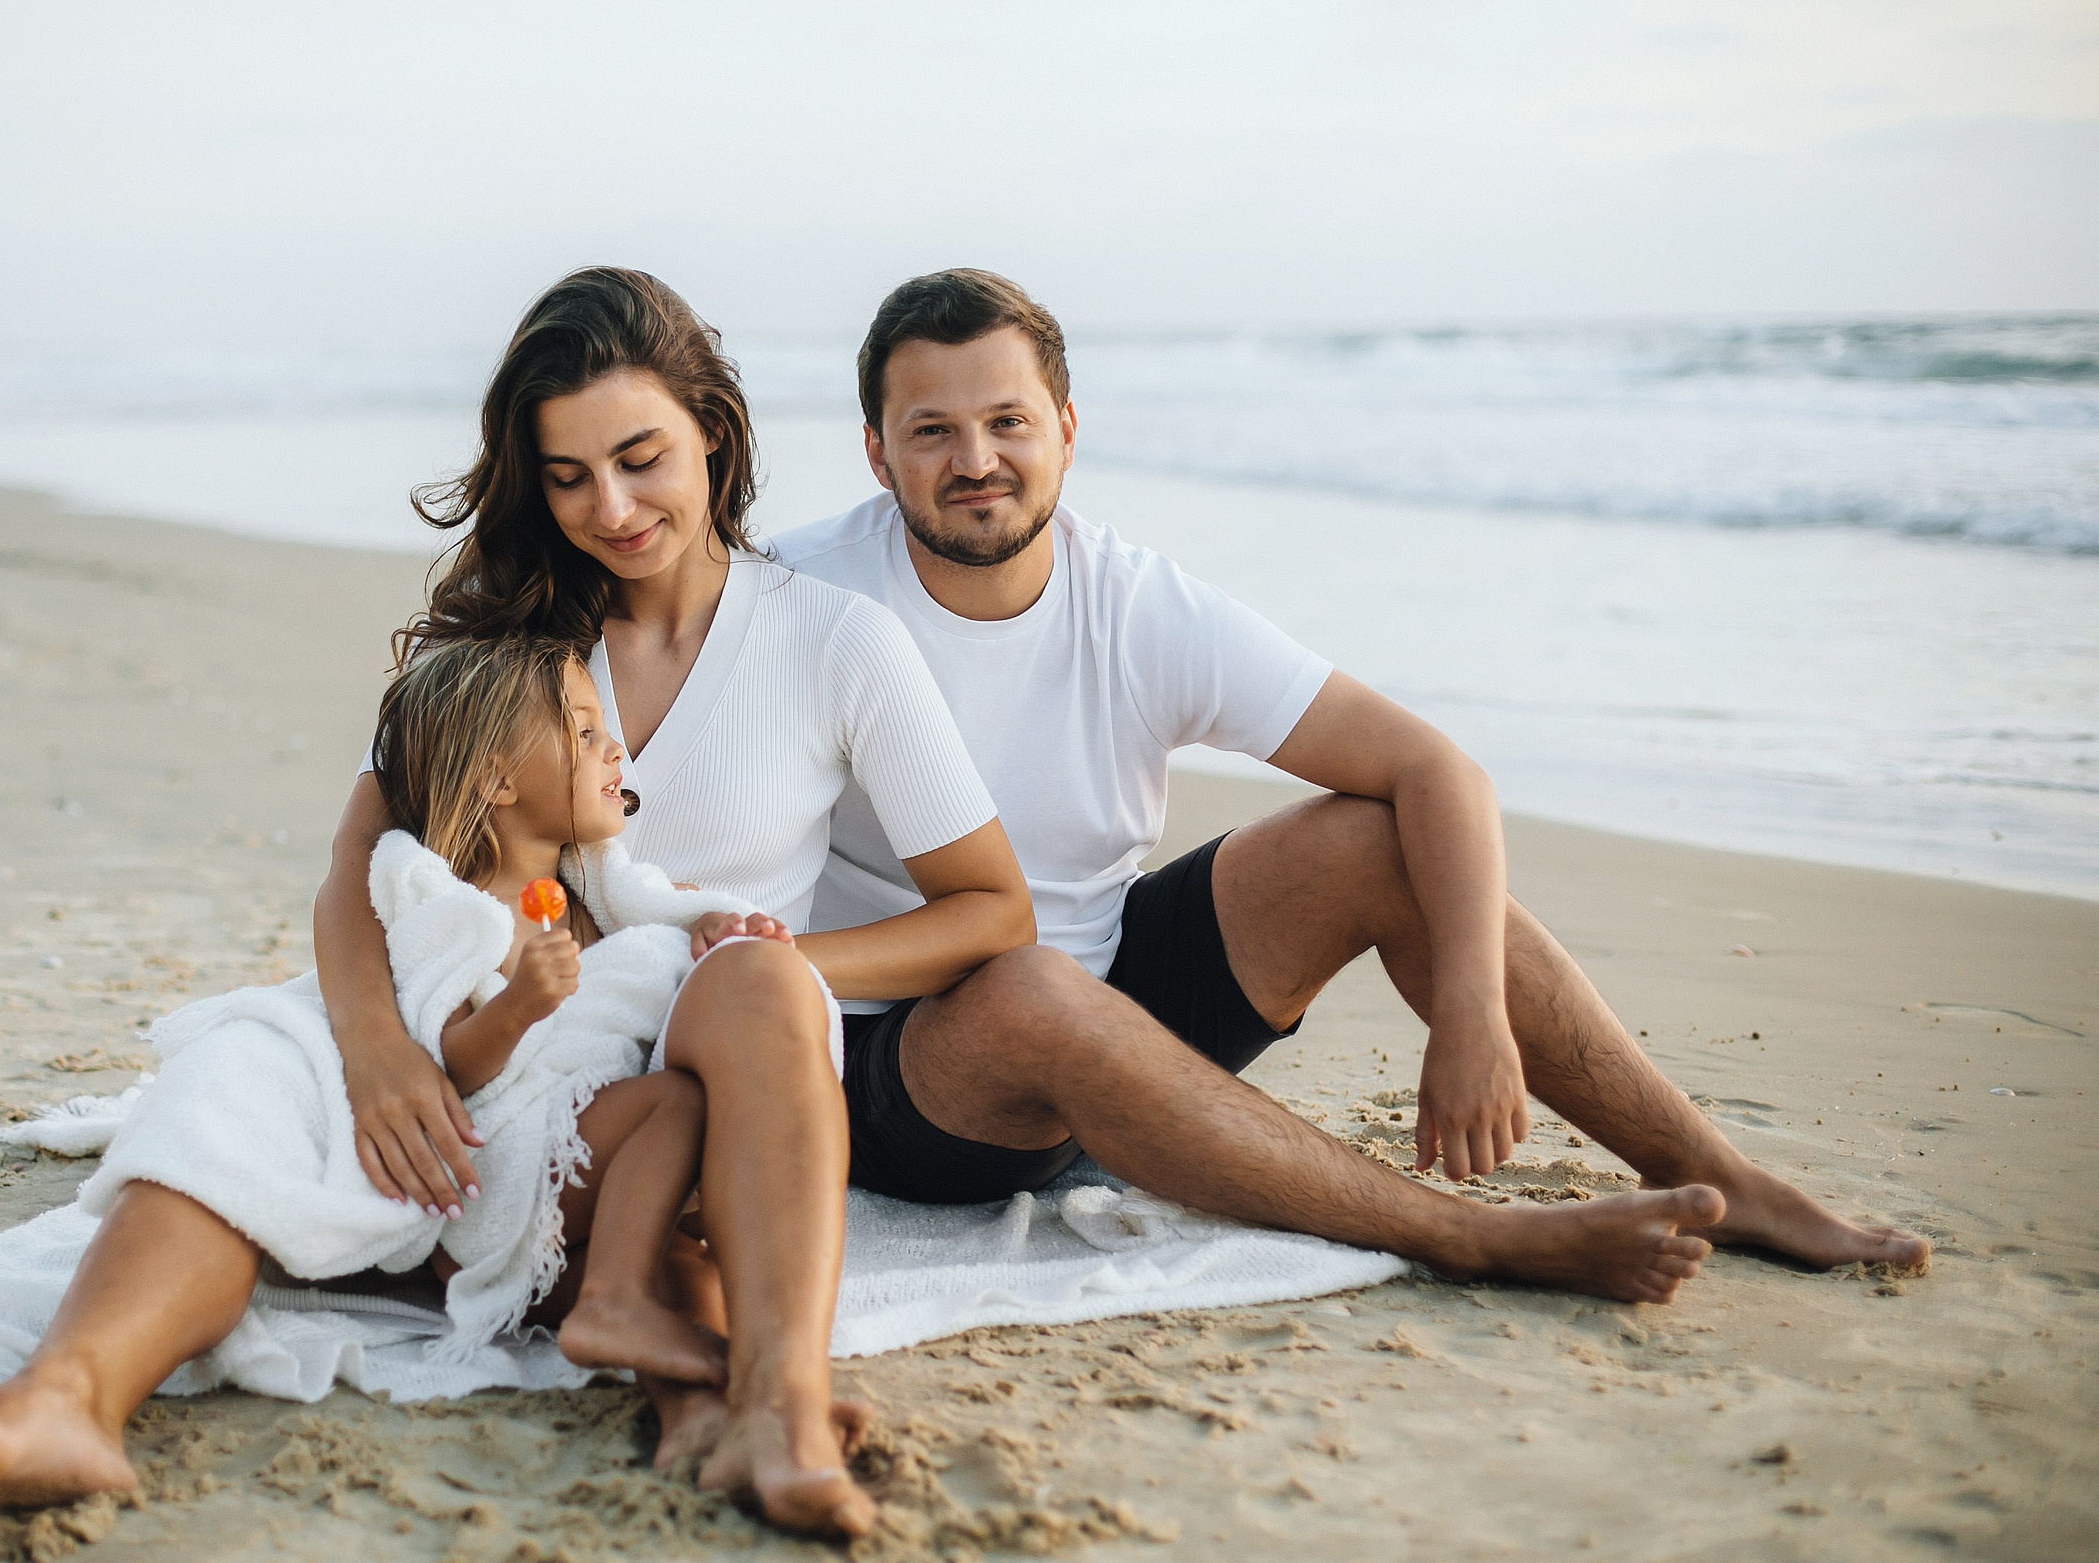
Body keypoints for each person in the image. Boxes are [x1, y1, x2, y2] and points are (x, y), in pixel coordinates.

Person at [771, 268, 1930, 1298]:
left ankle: (1720, 1178)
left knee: (1374, 839)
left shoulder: (1132, 603)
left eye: (1007, 421)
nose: (975, 461)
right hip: (900, 1074)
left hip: (1109, 990)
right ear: (877, 453)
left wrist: (1471, 1011)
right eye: (932, 432)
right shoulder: (800, 599)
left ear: (1067, 431)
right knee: (1024, 989)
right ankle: (1476, 1240)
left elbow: (1437, 771)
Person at [310, 266, 1035, 1538]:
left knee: (749, 983)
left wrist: (758, 952)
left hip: (732, 1047)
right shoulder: (512, 643)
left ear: (712, 424)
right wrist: (377, 1049)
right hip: (536, 1067)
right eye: (569, 476)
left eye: (642, 457)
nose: (612, 507)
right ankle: (700, 1402)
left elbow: (990, 910)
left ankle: (786, 1413)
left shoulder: (835, 640)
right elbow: (357, 866)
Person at [0, 631, 781, 1514]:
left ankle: (706, 1409)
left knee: (682, 1262)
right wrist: (519, 1008)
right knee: (661, 1135)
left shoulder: (601, 889)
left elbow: (668, 923)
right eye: (584, 733)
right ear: (500, 779)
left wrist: (706, 927)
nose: (613, 745)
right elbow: (438, 1052)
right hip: (487, 1158)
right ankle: (64, 1407)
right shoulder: (443, 902)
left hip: (567, 1190)